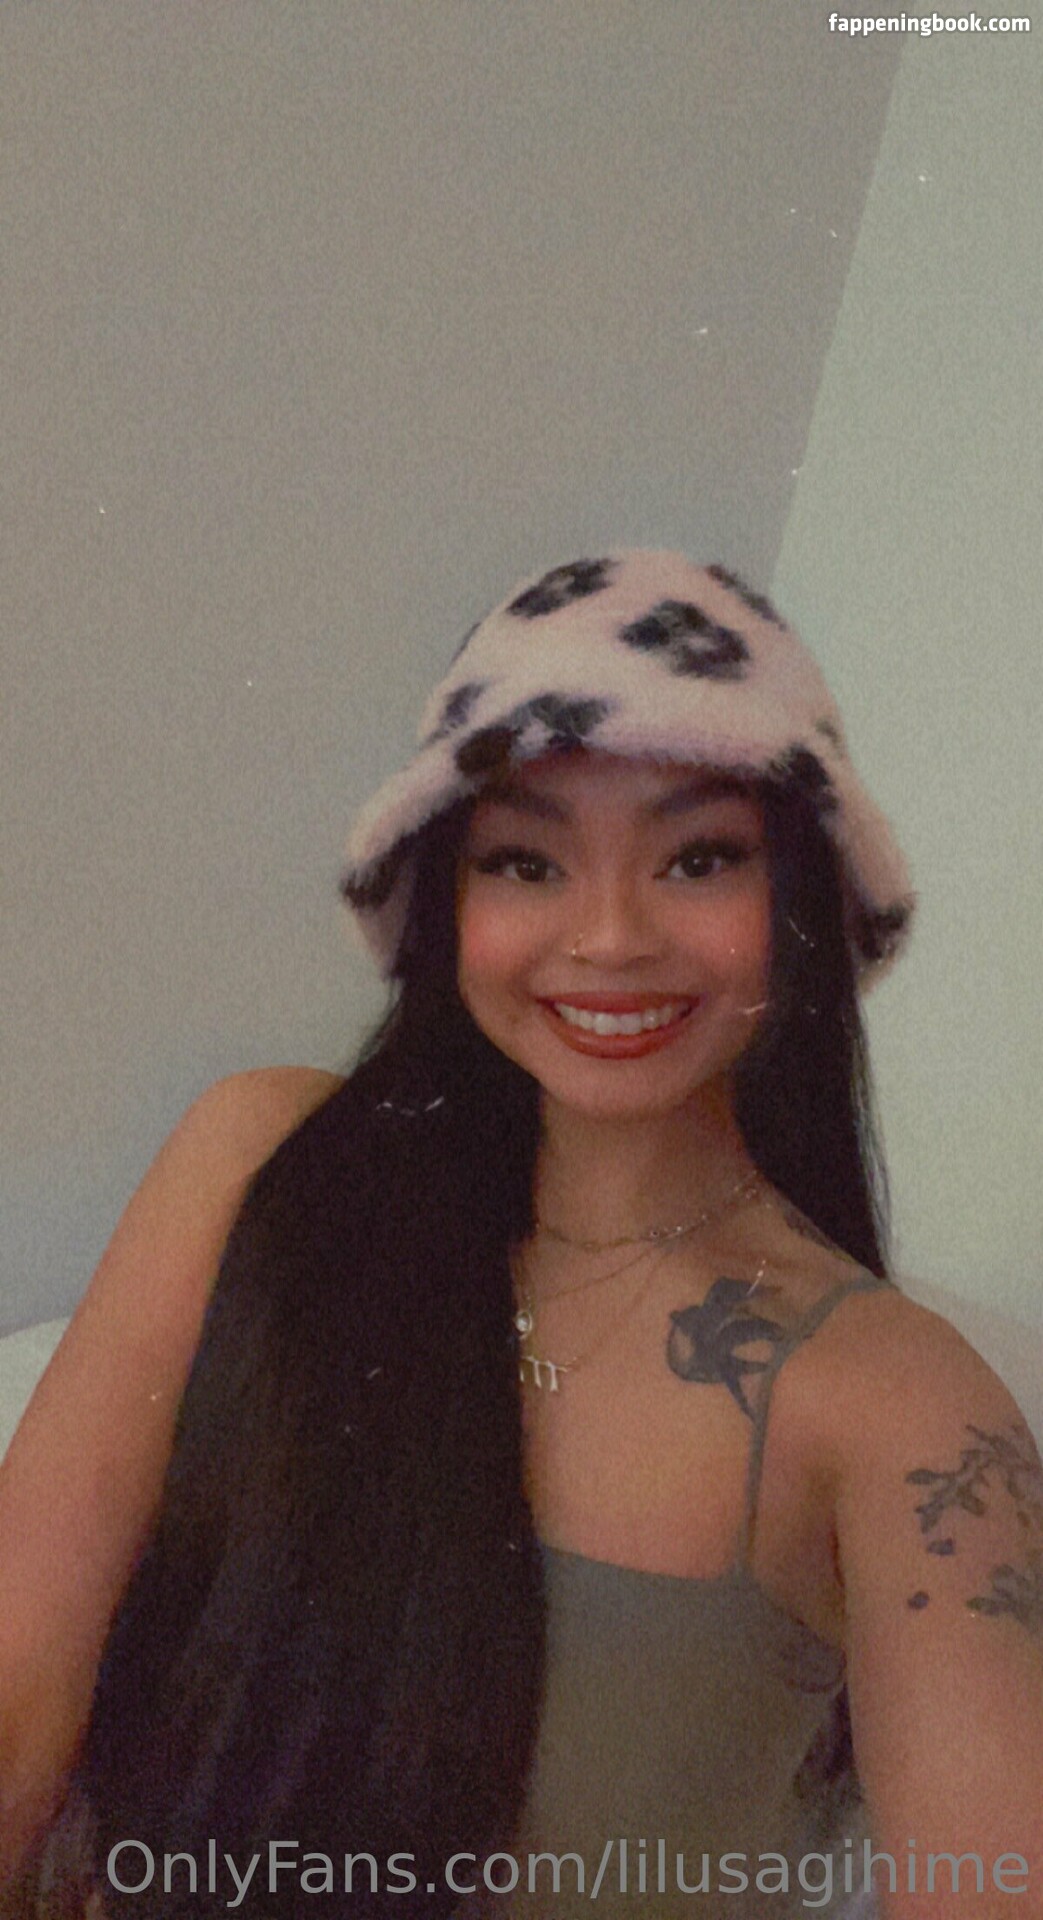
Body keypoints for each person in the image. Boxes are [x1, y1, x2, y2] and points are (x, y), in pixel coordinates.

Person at [1, 549, 1040, 1919]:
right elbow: (20, 1694)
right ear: (445, 898)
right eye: (526, 860)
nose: (607, 937)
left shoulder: (897, 1405)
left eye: (699, 857)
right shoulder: (262, 1162)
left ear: (803, 898)